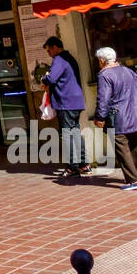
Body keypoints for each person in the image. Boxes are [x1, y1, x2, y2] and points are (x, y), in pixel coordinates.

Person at [92, 47, 137, 190]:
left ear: (101, 61)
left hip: (119, 116)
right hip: (136, 113)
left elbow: (103, 99)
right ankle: (136, 176)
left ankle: (134, 180)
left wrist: (100, 116)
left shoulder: (104, 75)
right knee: (135, 144)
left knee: (121, 146)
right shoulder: (126, 70)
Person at [42, 36, 89, 177]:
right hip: (75, 102)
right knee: (75, 132)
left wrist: (43, 78)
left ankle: (72, 167)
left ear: (55, 47)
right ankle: (83, 164)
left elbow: (51, 78)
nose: (49, 54)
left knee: (67, 135)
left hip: (66, 102)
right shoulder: (69, 58)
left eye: (49, 50)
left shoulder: (59, 59)